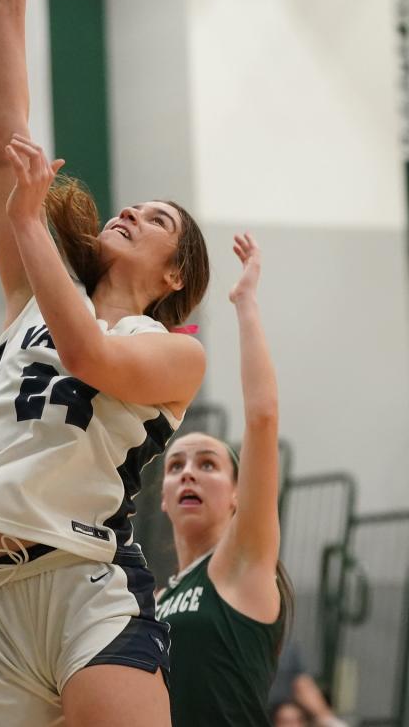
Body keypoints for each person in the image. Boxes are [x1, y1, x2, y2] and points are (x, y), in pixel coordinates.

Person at [0, 0, 209, 727]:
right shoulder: (30, 295)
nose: (130, 210)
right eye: (131, 204)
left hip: (83, 581)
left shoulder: (171, 351)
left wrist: (30, 226)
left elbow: (89, 355)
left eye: (156, 219)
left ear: (174, 274)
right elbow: (6, 145)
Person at [157, 234, 291, 725]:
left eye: (208, 464)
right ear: (164, 501)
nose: (188, 471)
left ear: (238, 496)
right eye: (176, 467)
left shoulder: (244, 563)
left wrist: (245, 304)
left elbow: (262, 417)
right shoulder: (155, 598)